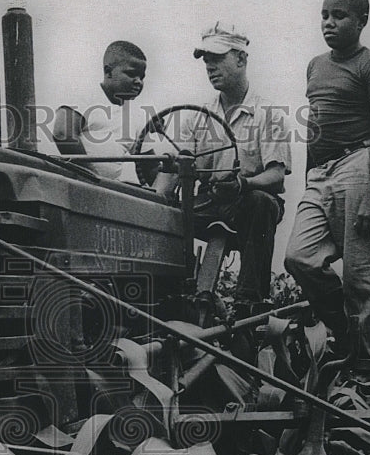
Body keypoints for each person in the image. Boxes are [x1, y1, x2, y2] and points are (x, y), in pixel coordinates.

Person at [283, 0, 370, 382]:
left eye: (340, 16)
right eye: (324, 15)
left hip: (359, 164)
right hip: (322, 171)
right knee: (299, 257)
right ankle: (347, 337)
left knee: (362, 278)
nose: (329, 23)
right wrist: (310, 180)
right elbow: (315, 126)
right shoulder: (315, 66)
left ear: (362, 21)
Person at [154, 21, 291, 317]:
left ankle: (248, 305)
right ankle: (170, 298)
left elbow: (277, 177)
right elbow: (178, 165)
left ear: (241, 59)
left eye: (217, 59)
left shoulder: (268, 115)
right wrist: (156, 198)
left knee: (261, 204)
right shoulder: (198, 116)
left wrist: (244, 184)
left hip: (246, 202)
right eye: (206, 61)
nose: (209, 67)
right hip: (208, 202)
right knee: (164, 214)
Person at [50, 41, 149, 183]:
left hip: (109, 191)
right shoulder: (83, 96)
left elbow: (148, 165)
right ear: (108, 72)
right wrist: (93, 178)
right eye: (131, 74)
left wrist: (173, 169)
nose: (138, 81)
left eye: (142, 77)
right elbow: (63, 134)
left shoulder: (137, 117)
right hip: (76, 184)